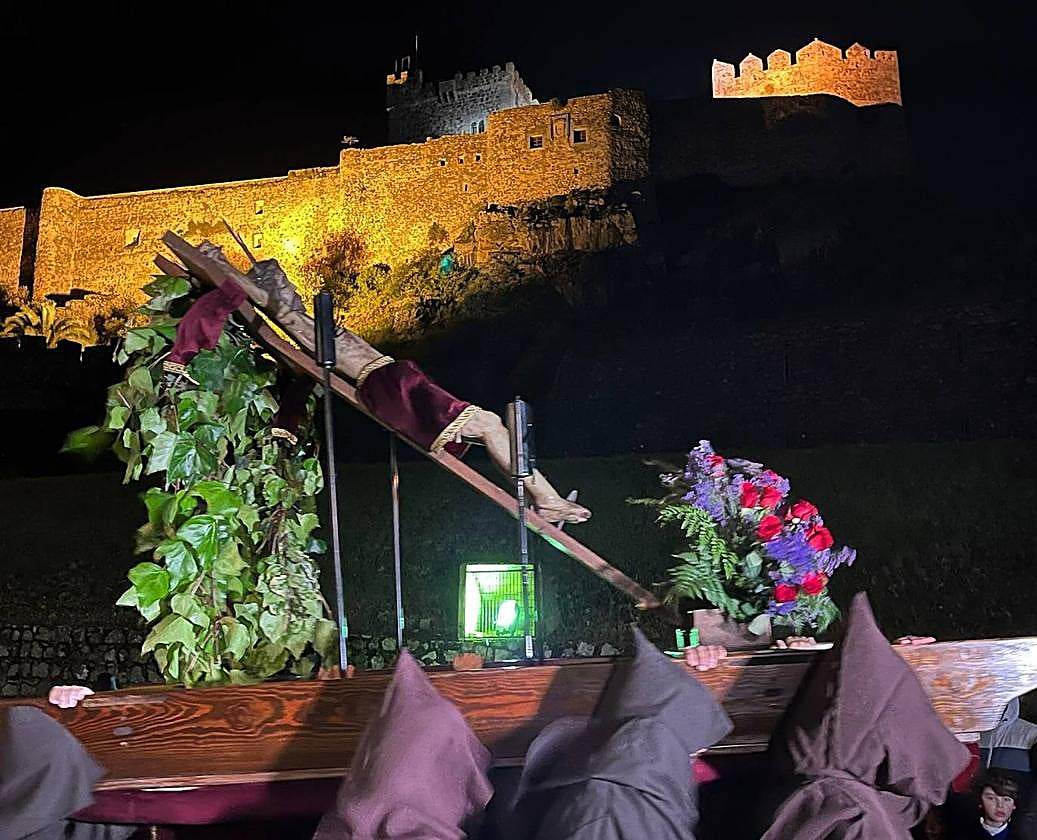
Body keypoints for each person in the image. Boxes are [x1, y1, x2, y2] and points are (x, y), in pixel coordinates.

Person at [181, 240, 590, 525]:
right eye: (282, 287)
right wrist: (220, 264)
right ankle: (546, 499)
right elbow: (269, 304)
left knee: (493, 425)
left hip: (396, 380)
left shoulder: (320, 326)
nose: (289, 291)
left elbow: (281, 301)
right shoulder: (311, 331)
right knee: (486, 424)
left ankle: (543, 497)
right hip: (391, 386)